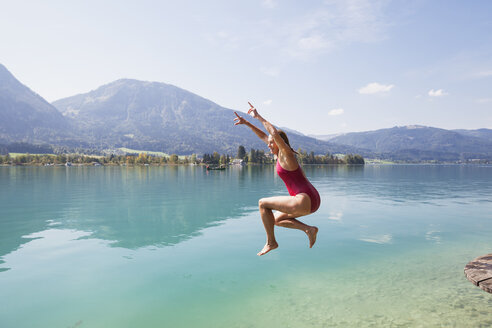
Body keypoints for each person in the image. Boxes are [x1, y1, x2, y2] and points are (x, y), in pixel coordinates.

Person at [234, 102, 321, 256]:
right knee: (275, 220)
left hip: (304, 198)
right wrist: (247, 123)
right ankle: (309, 229)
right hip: (310, 199)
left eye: (271, 143)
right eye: (268, 143)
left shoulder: (286, 153)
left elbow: (272, 133)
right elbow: (264, 135)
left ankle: (271, 242)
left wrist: (258, 116)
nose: (268, 145)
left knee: (262, 204)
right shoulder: (278, 154)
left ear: (279, 142)